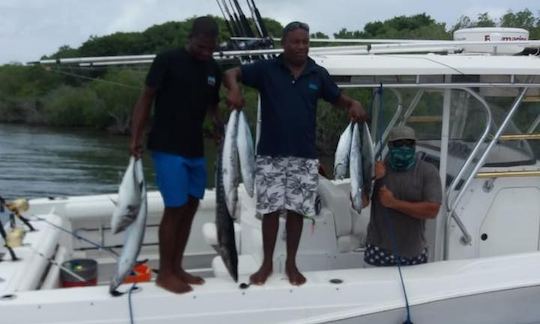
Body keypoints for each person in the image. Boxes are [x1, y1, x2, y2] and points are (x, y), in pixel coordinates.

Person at [224, 21, 368, 286]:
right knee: (269, 210)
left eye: (305, 41)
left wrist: (353, 103)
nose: (301, 46)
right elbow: (231, 73)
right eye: (296, 42)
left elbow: (336, 97)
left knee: (296, 212)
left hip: (304, 155)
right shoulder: (266, 69)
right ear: (284, 43)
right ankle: (266, 264)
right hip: (270, 154)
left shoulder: (317, 73)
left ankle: (291, 264)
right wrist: (234, 89)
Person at [129, 16, 222, 294]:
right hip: (167, 146)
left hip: (195, 148)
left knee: (191, 206)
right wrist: (135, 137)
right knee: (175, 208)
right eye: (202, 46)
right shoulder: (167, 60)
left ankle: (178, 267)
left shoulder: (212, 69)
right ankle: (165, 273)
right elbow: (146, 98)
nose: (206, 52)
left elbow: (212, 108)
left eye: (211, 48)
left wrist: (220, 127)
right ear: (190, 38)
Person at [364, 126, 442, 267]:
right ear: (390, 146)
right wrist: (371, 178)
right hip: (378, 249)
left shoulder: (428, 171)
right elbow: (360, 203)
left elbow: (432, 210)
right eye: (399, 144)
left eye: (409, 143)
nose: (404, 147)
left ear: (415, 145)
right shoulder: (376, 169)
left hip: (414, 252)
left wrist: (394, 203)